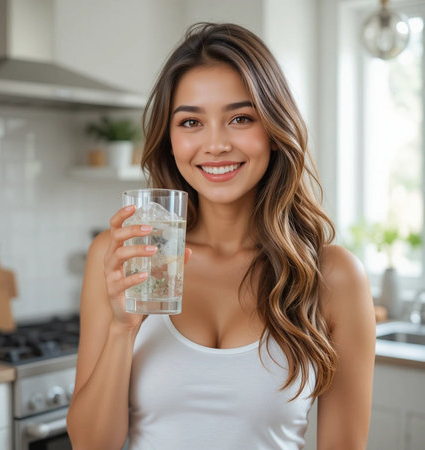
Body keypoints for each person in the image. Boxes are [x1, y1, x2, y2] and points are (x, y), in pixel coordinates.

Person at [67, 22, 375, 450]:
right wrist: (123, 328)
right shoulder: (125, 254)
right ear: (170, 139)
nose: (215, 144)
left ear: (274, 128)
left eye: (240, 118)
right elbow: (90, 445)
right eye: (191, 121)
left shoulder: (333, 276)